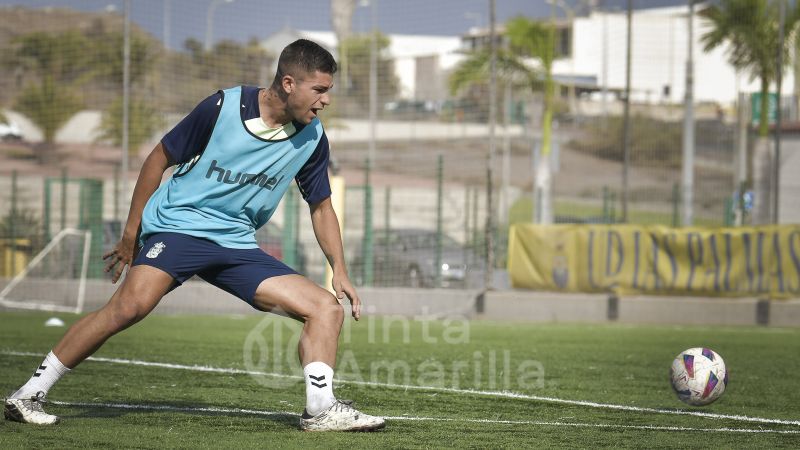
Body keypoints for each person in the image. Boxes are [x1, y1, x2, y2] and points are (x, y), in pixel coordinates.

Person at [4, 39, 385, 432]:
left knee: (325, 308)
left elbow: (321, 206)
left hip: (236, 244)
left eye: (328, 91)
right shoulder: (221, 108)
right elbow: (159, 159)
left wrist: (338, 268)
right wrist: (131, 233)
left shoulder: (312, 138)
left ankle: (321, 410)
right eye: (319, 90)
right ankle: (28, 394)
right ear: (288, 83)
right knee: (129, 308)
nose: (325, 101)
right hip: (179, 227)